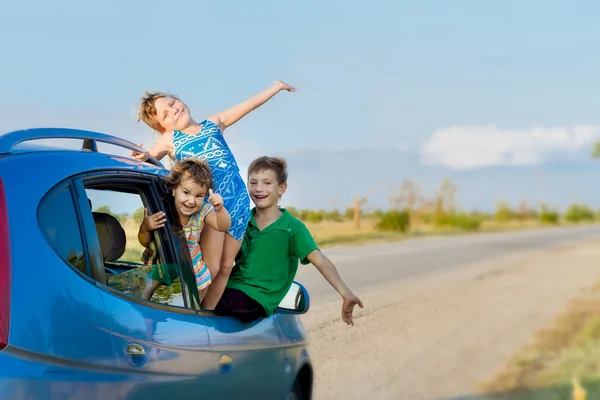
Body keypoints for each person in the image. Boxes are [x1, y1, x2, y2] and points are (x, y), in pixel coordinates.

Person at [133, 80, 297, 310]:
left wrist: (277, 87)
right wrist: (137, 155)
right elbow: (145, 160)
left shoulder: (213, 123)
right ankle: (194, 312)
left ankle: (209, 316)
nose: (174, 110)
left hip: (238, 204)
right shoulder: (171, 139)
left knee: (227, 266)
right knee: (211, 268)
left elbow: (248, 105)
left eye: (172, 103)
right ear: (163, 127)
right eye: (166, 114)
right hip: (210, 208)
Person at [215, 156, 363, 325]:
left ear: (281, 188)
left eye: (267, 183)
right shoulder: (242, 221)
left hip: (258, 298)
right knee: (200, 301)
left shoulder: (293, 228)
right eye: (253, 182)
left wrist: (346, 293)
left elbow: (320, 260)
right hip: (231, 287)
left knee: (213, 307)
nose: (258, 188)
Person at [139, 158, 231, 303]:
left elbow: (223, 226)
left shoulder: (202, 211)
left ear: (205, 195)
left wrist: (220, 209)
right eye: (186, 192)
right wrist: (145, 227)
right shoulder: (163, 210)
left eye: (199, 196)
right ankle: (144, 315)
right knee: (146, 293)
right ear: (174, 189)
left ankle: (193, 316)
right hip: (164, 262)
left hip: (190, 264)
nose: (191, 201)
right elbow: (145, 242)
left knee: (192, 299)